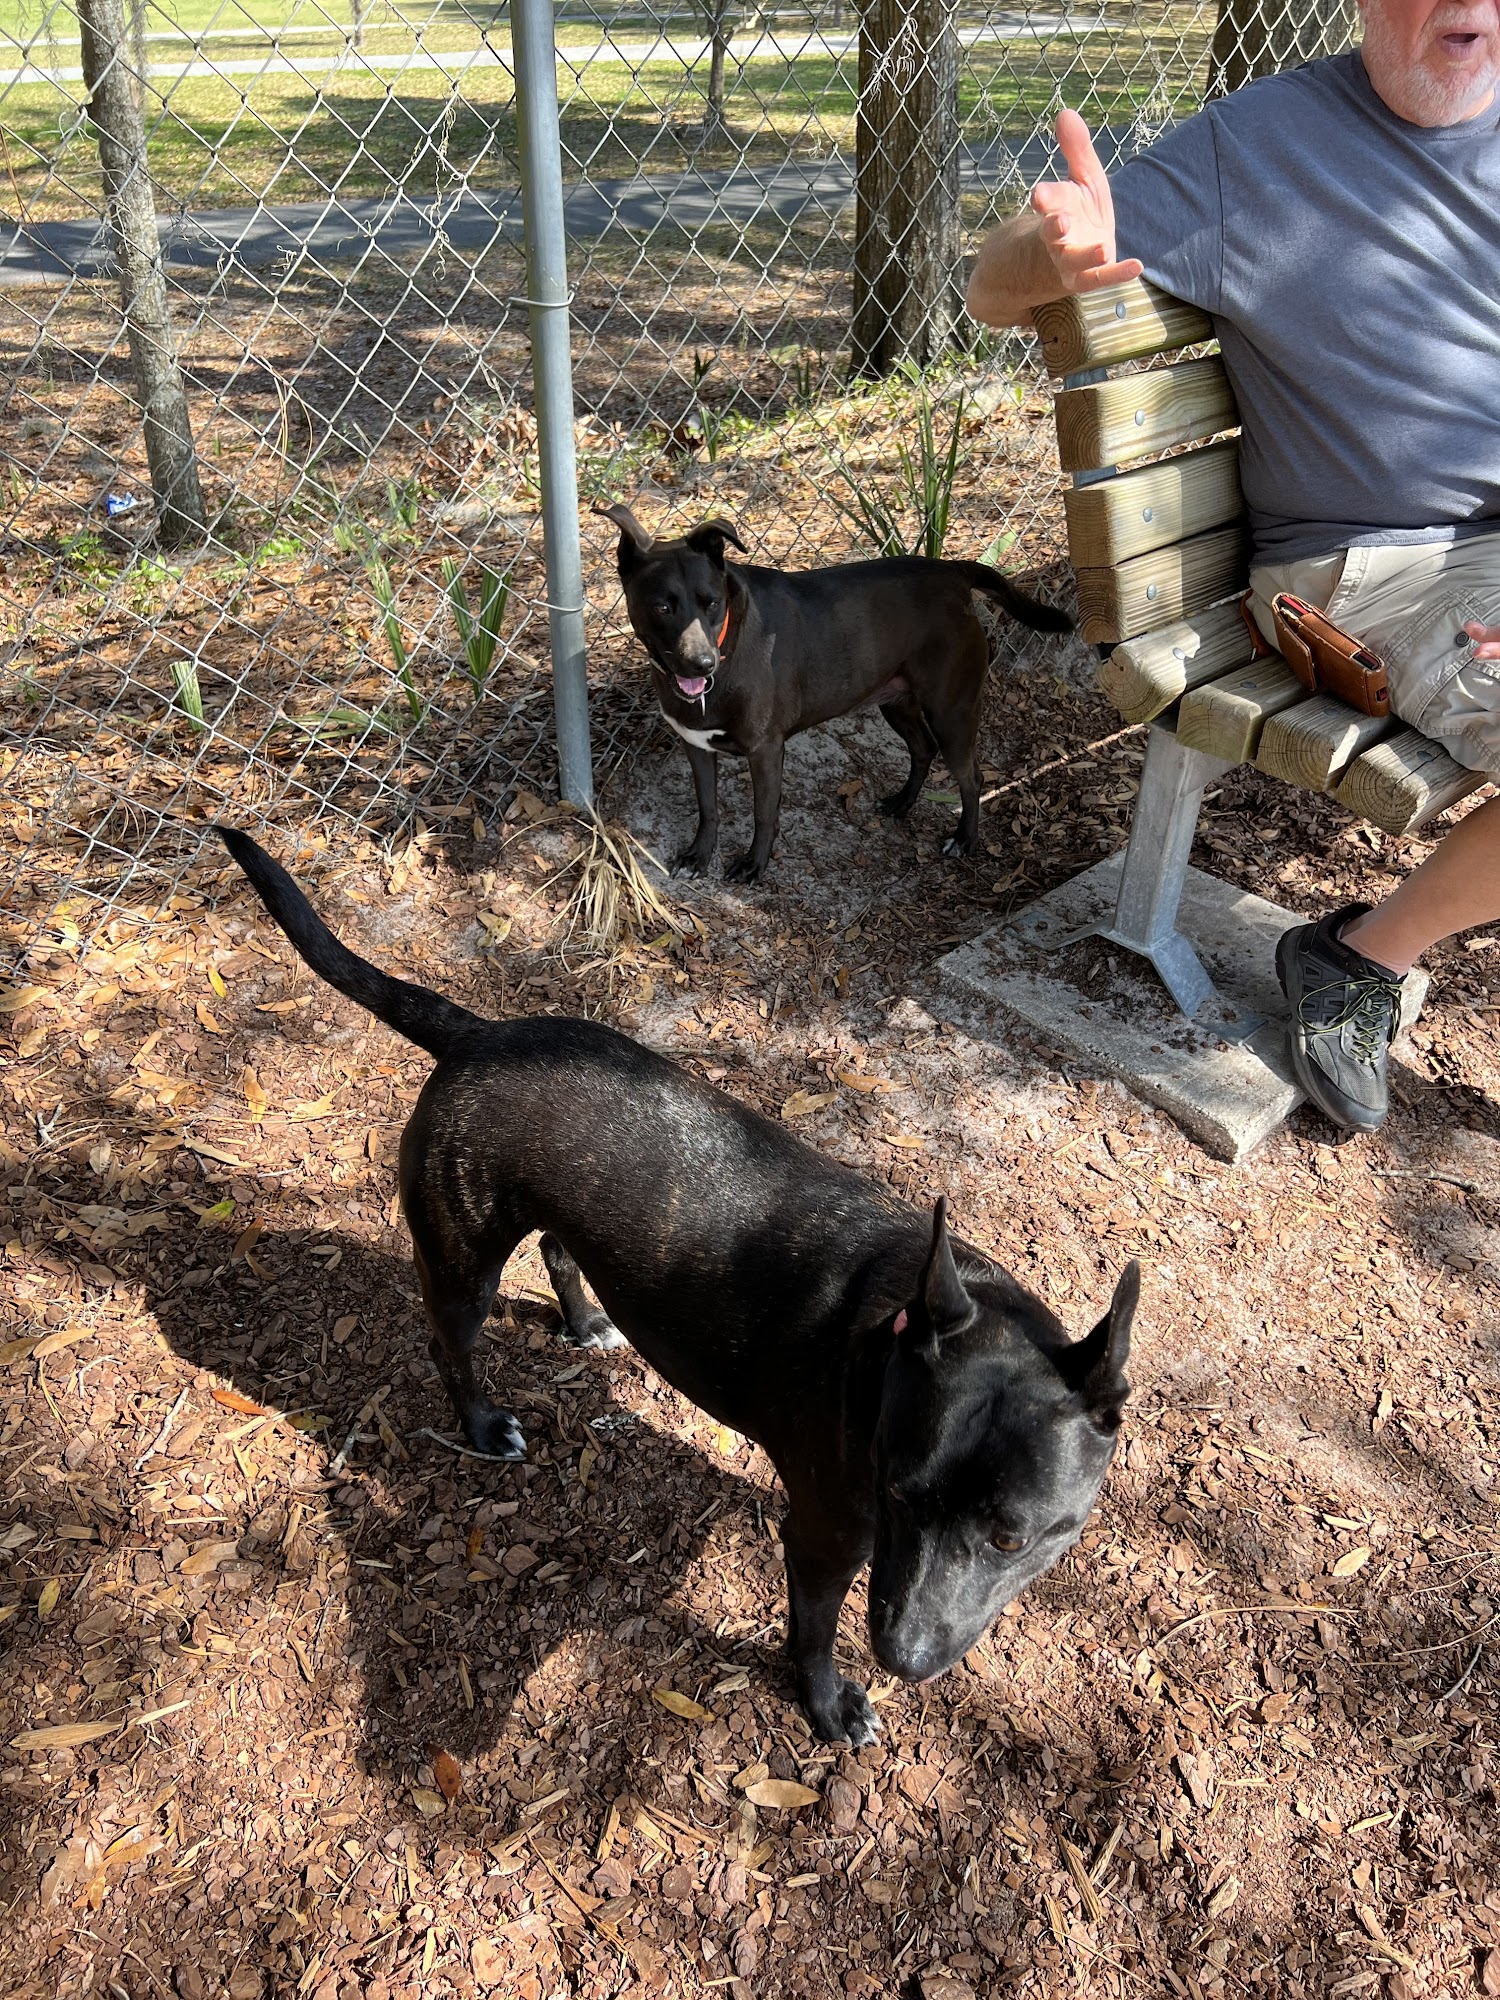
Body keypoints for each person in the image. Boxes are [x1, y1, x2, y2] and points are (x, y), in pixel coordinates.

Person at [965, 0, 1500, 1135]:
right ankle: (1360, 958)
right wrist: (1047, 251)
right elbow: (992, 289)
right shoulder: (1255, 150)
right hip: (1374, 567)